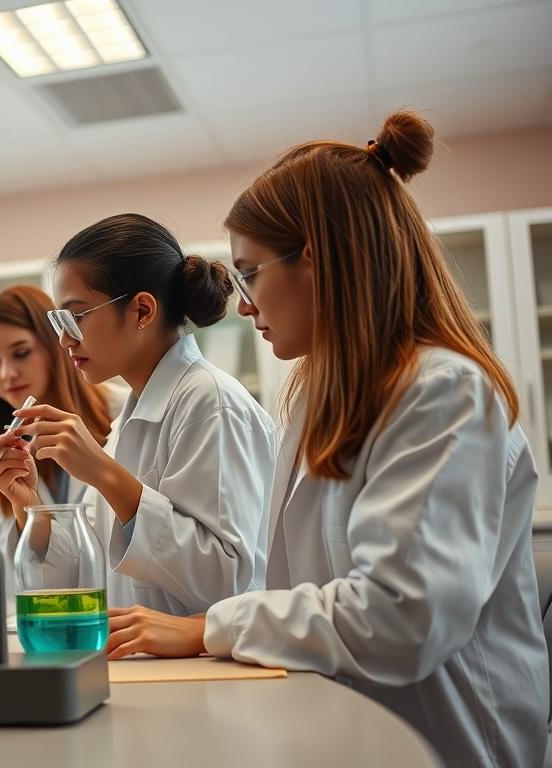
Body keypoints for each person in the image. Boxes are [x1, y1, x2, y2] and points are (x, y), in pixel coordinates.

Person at [104, 111, 549, 766]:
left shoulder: (443, 394)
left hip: (448, 744)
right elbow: (303, 592)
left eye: (251, 273)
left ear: (316, 258)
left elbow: (402, 620)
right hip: (345, 727)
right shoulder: (316, 394)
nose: (244, 303)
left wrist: (209, 628)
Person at [0, 213, 276, 614]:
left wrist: (102, 472)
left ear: (142, 311)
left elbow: (224, 583)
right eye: (59, 321)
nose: (66, 339)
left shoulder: (209, 402)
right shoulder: (130, 420)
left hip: (208, 671)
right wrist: (30, 505)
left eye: (77, 316)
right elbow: (83, 579)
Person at [0, 284, 122, 594]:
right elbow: (18, 574)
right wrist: (28, 509)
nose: (7, 374)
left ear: (57, 345)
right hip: (51, 616)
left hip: (125, 613)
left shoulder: (122, 412)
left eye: (21, 353)